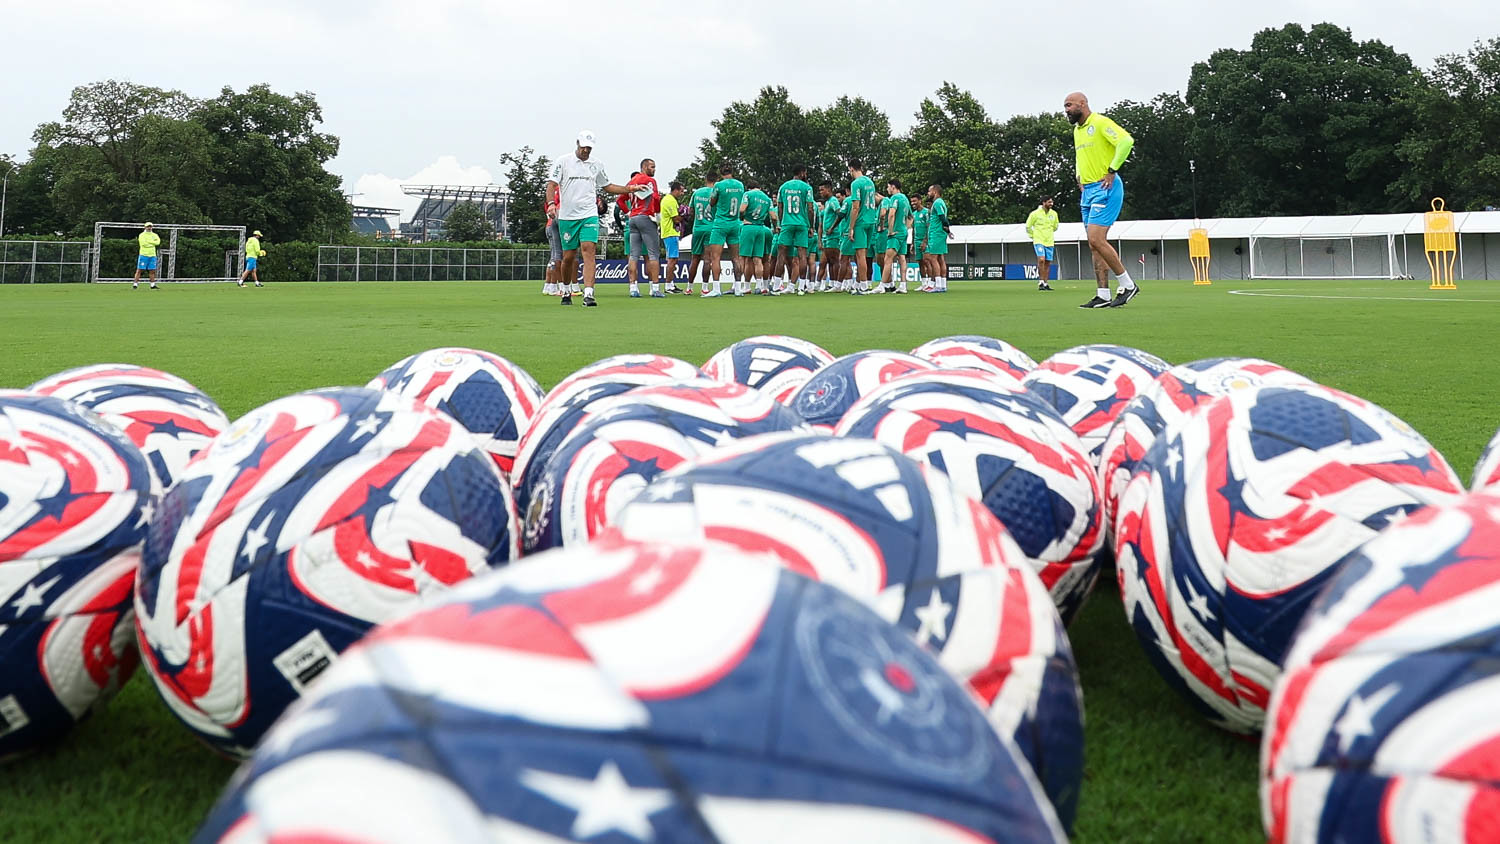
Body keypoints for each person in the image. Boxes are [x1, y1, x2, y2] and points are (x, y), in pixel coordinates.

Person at [544, 129, 637, 307]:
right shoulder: (563, 161)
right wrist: (550, 204)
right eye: (584, 147)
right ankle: (565, 289)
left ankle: (588, 294)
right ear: (577, 143)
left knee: (589, 250)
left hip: (589, 215)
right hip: (568, 217)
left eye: (590, 148)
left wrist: (630, 189)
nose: (586, 150)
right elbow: (552, 185)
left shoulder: (597, 164)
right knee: (569, 257)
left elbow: (607, 186)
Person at [1064, 91, 1137, 308]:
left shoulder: (1100, 122)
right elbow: (1081, 156)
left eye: (1069, 105)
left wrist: (1112, 170)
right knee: (1093, 244)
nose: (1066, 110)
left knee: (1097, 239)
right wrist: (1079, 175)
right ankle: (1103, 294)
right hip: (1088, 191)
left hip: (1106, 187)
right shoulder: (1077, 131)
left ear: (1082, 104)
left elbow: (1126, 141)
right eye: (1064, 106)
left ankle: (1128, 284)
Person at [772, 165, 816, 295]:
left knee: (781, 254)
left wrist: (781, 223)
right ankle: (801, 287)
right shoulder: (807, 188)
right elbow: (810, 208)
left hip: (787, 223)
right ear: (802, 173)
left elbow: (780, 207)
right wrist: (810, 226)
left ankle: (776, 286)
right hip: (802, 224)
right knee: (802, 254)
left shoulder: (783, 187)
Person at [703, 162, 744, 298]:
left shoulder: (718, 185)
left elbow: (712, 202)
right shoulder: (740, 185)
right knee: (736, 258)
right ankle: (738, 288)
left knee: (715, 257)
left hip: (721, 223)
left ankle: (716, 288)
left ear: (721, 172)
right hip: (735, 223)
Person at [625, 159, 662, 298]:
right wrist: (657, 215)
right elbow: (656, 198)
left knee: (634, 255)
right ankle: (655, 288)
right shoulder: (650, 181)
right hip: (646, 216)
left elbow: (620, 199)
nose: (654, 169)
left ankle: (633, 288)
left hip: (633, 218)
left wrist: (627, 212)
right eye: (652, 167)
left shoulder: (631, 182)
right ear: (645, 167)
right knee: (653, 254)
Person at [846, 158, 878, 294]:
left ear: (851, 168)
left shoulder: (856, 184)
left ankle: (863, 286)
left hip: (860, 222)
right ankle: (860, 284)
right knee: (864, 255)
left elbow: (855, 207)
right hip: (871, 220)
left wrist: (851, 227)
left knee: (860, 256)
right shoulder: (870, 182)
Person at [740, 179, 774, 294]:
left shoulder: (747, 194)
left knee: (746, 259)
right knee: (758, 259)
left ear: (749, 187)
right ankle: (761, 286)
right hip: (761, 228)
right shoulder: (767, 198)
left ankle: (747, 287)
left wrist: (742, 217)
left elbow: (742, 209)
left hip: (748, 226)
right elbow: (774, 216)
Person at [686, 172, 717, 294]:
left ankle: (689, 287)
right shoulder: (715, 193)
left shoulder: (696, 193)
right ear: (716, 181)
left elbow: (691, 210)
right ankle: (704, 288)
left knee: (695, 259)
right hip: (710, 228)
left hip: (697, 228)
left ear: (706, 180)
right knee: (707, 259)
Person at [880, 180, 912, 294]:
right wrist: (906, 228)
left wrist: (891, 231)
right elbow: (911, 217)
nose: (887, 189)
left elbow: (892, 213)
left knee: (888, 259)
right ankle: (903, 285)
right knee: (901, 258)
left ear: (893, 187)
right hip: (903, 232)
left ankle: (882, 286)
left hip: (896, 233)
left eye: (888, 187)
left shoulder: (894, 198)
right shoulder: (905, 199)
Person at [1026, 197, 1059, 291]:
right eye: (1049, 202)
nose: (1051, 204)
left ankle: (1045, 283)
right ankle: (1040, 282)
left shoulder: (1054, 214)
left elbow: (1055, 226)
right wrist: (1033, 236)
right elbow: (1028, 226)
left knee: (1048, 262)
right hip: (1039, 240)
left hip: (1049, 240)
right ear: (1043, 203)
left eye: (1052, 202)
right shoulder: (1035, 214)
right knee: (1041, 259)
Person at [659, 181, 686, 296]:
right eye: (681, 190)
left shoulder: (671, 200)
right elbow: (676, 219)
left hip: (671, 232)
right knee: (672, 259)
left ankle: (671, 284)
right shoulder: (669, 200)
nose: (682, 193)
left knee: (673, 259)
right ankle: (668, 285)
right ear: (675, 190)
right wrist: (684, 215)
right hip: (670, 233)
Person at [926, 185, 951, 292]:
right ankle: (943, 285)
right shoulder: (940, 203)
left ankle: (939, 285)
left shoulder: (937, 203)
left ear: (935, 192)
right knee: (940, 259)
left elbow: (942, 217)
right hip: (939, 233)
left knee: (933, 258)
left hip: (936, 233)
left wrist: (947, 227)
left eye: (929, 191)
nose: (928, 193)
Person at [543, 195, 563, 295]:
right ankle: (554, 286)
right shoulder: (558, 192)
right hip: (554, 225)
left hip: (549, 225)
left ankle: (548, 285)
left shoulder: (551, 196)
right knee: (557, 256)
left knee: (553, 257)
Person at [132, 222, 160, 290]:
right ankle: (135, 284)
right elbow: (143, 244)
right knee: (140, 270)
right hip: (144, 255)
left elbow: (157, 242)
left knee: (152, 270)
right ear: (145, 227)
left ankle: (152, 285)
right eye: (148, 226)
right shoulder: (142, 235)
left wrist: (149, 242)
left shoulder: (155, 235)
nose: (149, 228)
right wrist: (152, 243)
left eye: (150, 226)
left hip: (152, 255)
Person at [911, 196, 931, 291]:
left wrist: (925, 241)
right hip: (916, 240)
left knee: (927, 261)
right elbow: (913, 229)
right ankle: (923, 284)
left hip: (925, 241)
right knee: (920, 262)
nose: (913, 203)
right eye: (911, 201)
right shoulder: (914, 214)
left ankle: (931, 283)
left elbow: (929, 227)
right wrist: (912, 243)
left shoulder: (926, 212)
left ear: (920, 201)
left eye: (914, 201)